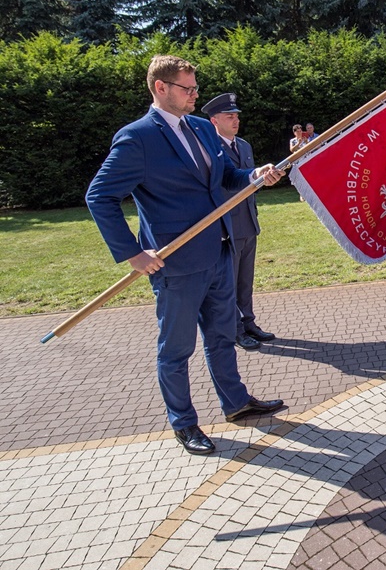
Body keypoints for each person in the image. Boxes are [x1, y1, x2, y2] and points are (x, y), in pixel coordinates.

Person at [86, 55, 286, 456]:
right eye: (188, 88)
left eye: (195, 87)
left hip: (219, 251)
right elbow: (99, 196)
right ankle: (184, 423)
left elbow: (225, 179)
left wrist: (254, 175)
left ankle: (236, 403)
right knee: (176, 350)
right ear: (161, 88)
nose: (196, 95)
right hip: (175, 263)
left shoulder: (201, 127)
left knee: (221, 338)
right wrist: (132, 253)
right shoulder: (137, 138)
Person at [204, 93, 277, 351]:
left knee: (245, 281)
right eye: (229, 117)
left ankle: (249, 323)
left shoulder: (243, 146)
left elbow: (249, 182)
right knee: (228, 284)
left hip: (248, 222)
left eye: (236, 116)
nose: (235, 121)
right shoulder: (209, 147)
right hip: (226, 228)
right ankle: (234, 330)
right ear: (214, 120)